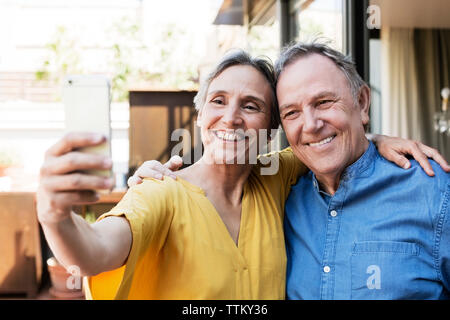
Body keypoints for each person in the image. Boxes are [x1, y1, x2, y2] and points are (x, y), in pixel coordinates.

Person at [38, 48, 447, 300]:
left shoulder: (278, 178)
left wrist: (373, 138)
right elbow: (94, 252)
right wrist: (56, 218)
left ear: (271, 129)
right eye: (218, 101)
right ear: (200, 116)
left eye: (251, 106)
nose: (231, 119)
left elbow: (325, 141)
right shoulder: (161, 190)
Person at [273, 41, 450, 299]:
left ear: (362, 102)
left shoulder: (435, 192)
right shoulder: (281, 199)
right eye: (291, 113)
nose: (310, 125)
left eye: (323, 102)